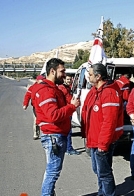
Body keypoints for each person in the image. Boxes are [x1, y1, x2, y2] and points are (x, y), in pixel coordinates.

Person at [31, 58, 80, 196]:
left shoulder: (53, 89)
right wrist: (72, 106)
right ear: (52, 71)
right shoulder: (47, 91)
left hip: (56, 135)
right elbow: (53, 115)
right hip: (54, 135)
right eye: (62, 71)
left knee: (52, 171)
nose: (64, 74)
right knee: (52, 172)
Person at [81, 63, 124, 196]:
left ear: (98, 76)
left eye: (91, 74)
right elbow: (86, 111)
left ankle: (108, 193)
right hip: (93, 139)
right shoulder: (94, 91)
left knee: (104, 173)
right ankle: (102, 192)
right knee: (97, 170)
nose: (88, 76)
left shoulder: (109, 93)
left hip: (102, 141)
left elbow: (109, 122)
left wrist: (103, 144)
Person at [57, 75, 80, 155]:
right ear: (64, 79)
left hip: (69, 110)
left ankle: (66, 148)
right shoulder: (61, 88)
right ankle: (68, 148)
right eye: (68, 79)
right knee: (68, 131)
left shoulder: (67, 87)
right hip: (66, 110)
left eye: (70, 79)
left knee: (67, 130)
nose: (69, 80)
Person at [23, 74, 45, 140]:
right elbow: (27, 96)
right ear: (37, 80)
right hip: (36, 107)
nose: (42, 81)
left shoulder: (46, 87)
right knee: (36, 121)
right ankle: (36, 133)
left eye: (43, 80)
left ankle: (46, 133)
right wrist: (25, 104)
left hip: (44, 106)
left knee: (46, 120)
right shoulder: (32, 88)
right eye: (41, 80)